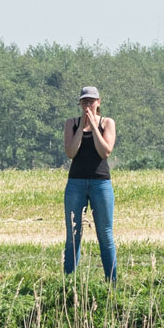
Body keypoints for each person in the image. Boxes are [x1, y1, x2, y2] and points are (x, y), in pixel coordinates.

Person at [62, 85, 118, 282]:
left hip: (100, 183)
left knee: (105, 234)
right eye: (84, 101)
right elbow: (71, 152)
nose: (88, 105)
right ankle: (69, 282)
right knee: (73, 235)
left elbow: (105, 152)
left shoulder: (107, 122)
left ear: (98, 102)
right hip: (76, 182)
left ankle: (111, 282)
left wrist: (94, 125)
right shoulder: (71, 123)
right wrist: (82, 127)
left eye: (91, 101)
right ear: (80, 103)